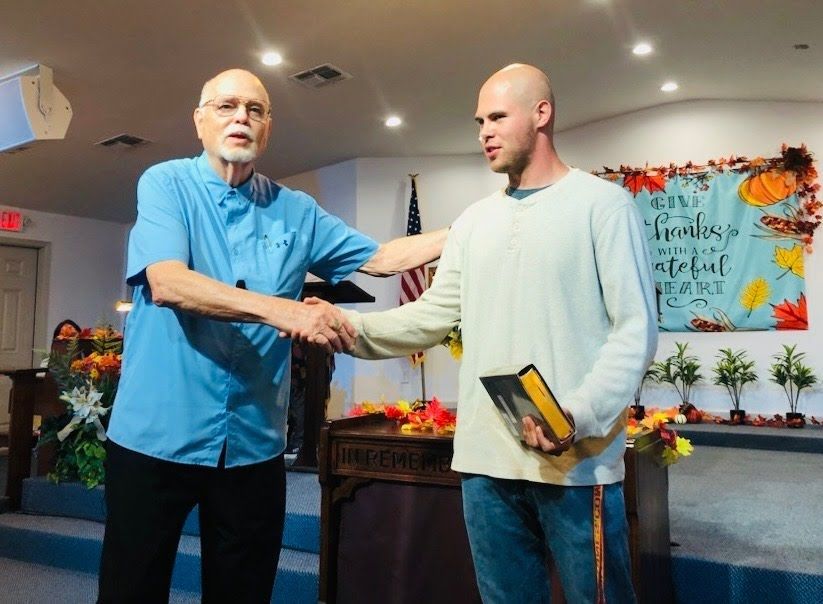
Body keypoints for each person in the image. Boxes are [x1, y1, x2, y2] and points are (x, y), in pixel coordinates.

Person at [98, 68, 447, 603]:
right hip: (156, 437)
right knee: (132, 591)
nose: (242, 117)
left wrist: (476, 225)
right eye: (226, 106)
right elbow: (168, 282)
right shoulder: (166, 183)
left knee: (244, 593)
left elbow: (381, 258)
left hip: (252, 444)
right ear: (199, 121)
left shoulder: (297, 210)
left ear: (267, 128)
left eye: (255, 110)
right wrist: (284, 312)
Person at [336, 64, 658, 602]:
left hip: (575, 463)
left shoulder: (603, 205)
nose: (483, 130)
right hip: (485, 461)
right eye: (479, 120)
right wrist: (345, 329)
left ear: (542, 114)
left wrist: (577, 413)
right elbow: (432, 315)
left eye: (497, 116)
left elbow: (634, 329)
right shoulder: (472, 222)